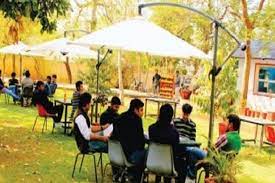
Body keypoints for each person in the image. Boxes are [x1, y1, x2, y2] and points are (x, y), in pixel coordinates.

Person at [149, 104, 186, 183]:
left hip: (153, 161)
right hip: (169, 165)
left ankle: (158, 179)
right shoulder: (174, 133)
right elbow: (175, 151)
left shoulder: (151, 129)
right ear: (171, 117)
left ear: (159, 114)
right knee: (182, 162)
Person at [112, 98, 146, 183]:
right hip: (130, 155)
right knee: (146, 153)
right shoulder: (137, 120)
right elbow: (141, 142)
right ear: (135, 110)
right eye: (141, 110)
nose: (142, 113)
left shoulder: (119, 118)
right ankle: (137, 178)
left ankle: (130, 174)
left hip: (117, 154)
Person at [173, 103, 205, 179]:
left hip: (187, 147)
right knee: (193, 150)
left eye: (187, 114)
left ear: (189, 114)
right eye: (184, 114)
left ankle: (191, 174)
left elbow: (193, 140)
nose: (185, 116)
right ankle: (204, 155)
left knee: (192, 150)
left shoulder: (192, 125)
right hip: (177, 146)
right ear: (182, 112)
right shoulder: (176, 121)